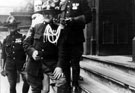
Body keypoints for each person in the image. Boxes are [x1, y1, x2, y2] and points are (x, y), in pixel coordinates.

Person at [23, 0, 67, 93]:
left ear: (54, 14)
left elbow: (62, 50)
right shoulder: (35, 27)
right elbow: (26, 44)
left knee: (62, 82)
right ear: (42, 14)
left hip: (50, 63)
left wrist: (59, 67)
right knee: (36, 89)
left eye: (50, 13)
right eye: (45, 13)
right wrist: (33, 52)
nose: (47, 15)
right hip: (35, 64)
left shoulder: (59, 29)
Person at [58, 0, 92, 92]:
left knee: (75, 62)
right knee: (64, 62)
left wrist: (73, 20)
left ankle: (75, 84)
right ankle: (67, 84)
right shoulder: (63, 3)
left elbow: (89, 17)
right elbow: (59, 16)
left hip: (76, 37)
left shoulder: (81, 1)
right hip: (64, 38)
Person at [1, 15, 29, 93]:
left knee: (27, 81)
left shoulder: (23, 37)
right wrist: (2, 68)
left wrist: (26, 63)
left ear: (16, 26)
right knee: (12, 85)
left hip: (22, 64)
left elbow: (27, 52)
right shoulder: (6, 39)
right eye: (10, 26)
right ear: (8, 28)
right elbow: (3, 55)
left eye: (13, 26)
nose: (11, 27)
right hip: (10, 66)